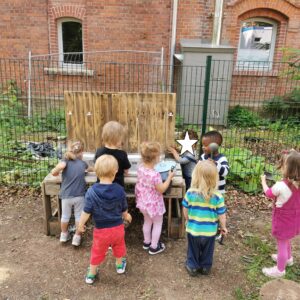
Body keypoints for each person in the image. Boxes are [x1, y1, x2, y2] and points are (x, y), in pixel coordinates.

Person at [78, 155, 132, 284]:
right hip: (117, 229)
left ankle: (91, 274)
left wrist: (80, 224)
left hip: (101, 231)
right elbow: (123, 209)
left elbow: (86, 211)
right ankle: (119, 266)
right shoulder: (119, 190)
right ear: (115, 172)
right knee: (119, 246)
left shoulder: (91, 192)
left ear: (96, 172)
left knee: (97, 251)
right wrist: (127, 216)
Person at [182, 160, 227, 276]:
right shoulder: (218, 196)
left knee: (193, 248)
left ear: (195, 176)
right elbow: (222, 214)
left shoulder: (190, 193)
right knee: (208, 249)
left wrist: (187, 219)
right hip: (210, 231)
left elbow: (185, 208)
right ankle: (205, 267)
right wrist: (223, 227)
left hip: (193, 229)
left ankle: (193, 266)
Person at [261, 150, 300, 278]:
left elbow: (268, 193)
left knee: (282, 242)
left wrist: (263, 182)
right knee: (287, 238)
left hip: (283, 218)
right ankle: (288, 259)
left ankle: (280, 269)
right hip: (295, 218)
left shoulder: (281, 186)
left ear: (287, 169)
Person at [135, 142, 175, 254]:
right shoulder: (155, 175)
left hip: (143, 203)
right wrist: (169, 178)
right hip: (154, 205)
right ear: (156, 158)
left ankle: (146, 242)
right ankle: (153, 247)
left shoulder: (140, 168)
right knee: (157, 223)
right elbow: (161, 189)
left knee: (147, 221)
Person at [51, 140, 88, 246]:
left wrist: (57, 169)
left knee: (65, 216)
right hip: (79, 196)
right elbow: (88, 169)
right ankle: (77, 237)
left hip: (66, 195)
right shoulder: (83, 163)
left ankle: (64, 234)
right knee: (78, 216)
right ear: (82, 152)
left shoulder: (65, 161)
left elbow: (56, 171)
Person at [94, 121, 131, 187]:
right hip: (117, 188)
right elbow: (126, 171)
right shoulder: (122, 154)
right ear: (118, 139)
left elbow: (96, 167)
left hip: (101, 186)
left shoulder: (99, 152)